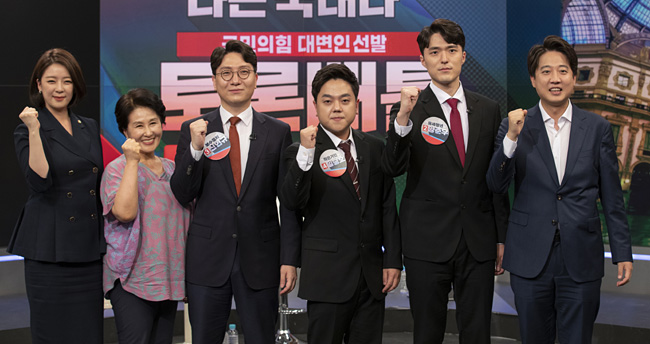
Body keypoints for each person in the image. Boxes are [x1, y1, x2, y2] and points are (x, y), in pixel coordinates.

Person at [486, 35, 633, 344]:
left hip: (581, 256)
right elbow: (496, 185)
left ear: (574, 77)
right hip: (529, 257)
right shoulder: (514, 125)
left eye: (563, 70)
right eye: (546, 71)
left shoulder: (597, 128)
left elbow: (612, 197)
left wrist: (622, 252)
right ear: (533, 79)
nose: (555, 78)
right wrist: (511, 139)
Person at [382, 19, 509, 344]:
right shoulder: (408, 109)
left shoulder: (488, 109)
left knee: (477, 333)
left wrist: (501, 236)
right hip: (426, 240)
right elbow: (393, 167)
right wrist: (402, 119)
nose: (444, 59)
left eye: (451, 50)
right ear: (422, 59)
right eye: (435, 52)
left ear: (463, 56)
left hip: (477, 240)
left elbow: (495, 179)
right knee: (427, 332)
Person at [170, 40, 301, 343]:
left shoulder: (278, 132)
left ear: (255, 78)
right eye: (226, 73)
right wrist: (195, 149)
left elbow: (289, 202)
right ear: (214, 80)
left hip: (261, 258)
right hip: (207, 259)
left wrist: (289, 258)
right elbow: (181, 192)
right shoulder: (195, 129)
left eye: (243, 72)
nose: (235, 80)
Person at [279, 64, 402, 343]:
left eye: (345, 100)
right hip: (327, 276)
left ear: (356, 104)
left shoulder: (374, 147)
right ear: (315, 106)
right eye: (328, 101)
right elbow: (291, 202)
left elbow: (386, 206)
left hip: (371, 276)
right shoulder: (299, 152)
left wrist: (393, 259)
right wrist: (306, 154)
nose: (337, 108)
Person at [10, 48, 105, 343]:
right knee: (51, 332)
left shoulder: (88, 126)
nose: (59, 88)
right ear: (39, 85)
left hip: (87, 248)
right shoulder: (27, 129)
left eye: (67, 81)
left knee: (89, 332)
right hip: (49, 249)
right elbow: (39, 181)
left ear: (75, 85)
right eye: (51, 81)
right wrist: (34, 129)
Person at [101, 88, 190, 343]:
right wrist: (132, 161)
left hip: (169, 281)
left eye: (153, 123)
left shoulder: (173, 170)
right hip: (131, 281)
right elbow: (125, 213)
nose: (148, 132)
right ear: (125, 131)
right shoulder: (116, 170)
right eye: (138, 125)